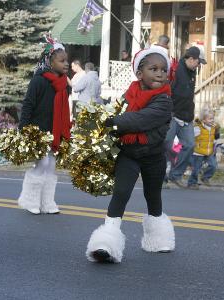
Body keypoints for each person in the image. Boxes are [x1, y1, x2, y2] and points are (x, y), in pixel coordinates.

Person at [85, 47, 175, 263]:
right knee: (121, 193)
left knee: (153, 197)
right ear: (139, 73)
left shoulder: (164, 101)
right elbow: (120, 113)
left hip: (154, 156)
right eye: (153, 69)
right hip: (130, 154)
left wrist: (110, 122)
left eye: (163, 70)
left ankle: (158, 240)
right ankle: (105, 244)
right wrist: (99, 116)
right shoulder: (128, 95)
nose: (160, 73)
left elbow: (138, 120)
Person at [18, 36, 71, 215]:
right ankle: (30, 200)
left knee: (51, 165)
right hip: (38, 130)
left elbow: (64, 110)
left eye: (67, 60)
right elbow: (28, 105)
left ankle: (47, 202)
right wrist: (24, 130)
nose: (66, 64)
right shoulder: (39, 81)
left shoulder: (65, 85)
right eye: (62, 60)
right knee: (43, 163)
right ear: (50, 61)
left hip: (55, 131)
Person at [165, 46, 207, 188]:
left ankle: (176, 175)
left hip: (186, 115)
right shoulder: (176, 70)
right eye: (198, 62)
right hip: (172, 114)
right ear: (190, 59)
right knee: (165, 145)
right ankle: (161, 177)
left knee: (189, 145)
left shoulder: (192, 72)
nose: (199, 65)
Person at [187, 110, 220, 189]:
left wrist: (217, 130)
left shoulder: (213, 127)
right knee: (196, 169)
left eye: (213, 118)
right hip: (198, 152)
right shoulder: (198, 128)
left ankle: (205, 177)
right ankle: (192, 183)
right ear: (204, 120)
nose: (212, 120)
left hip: (209, 151)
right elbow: (190, 137)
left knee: (213, 166)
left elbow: (217, 137)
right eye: (210, 119)